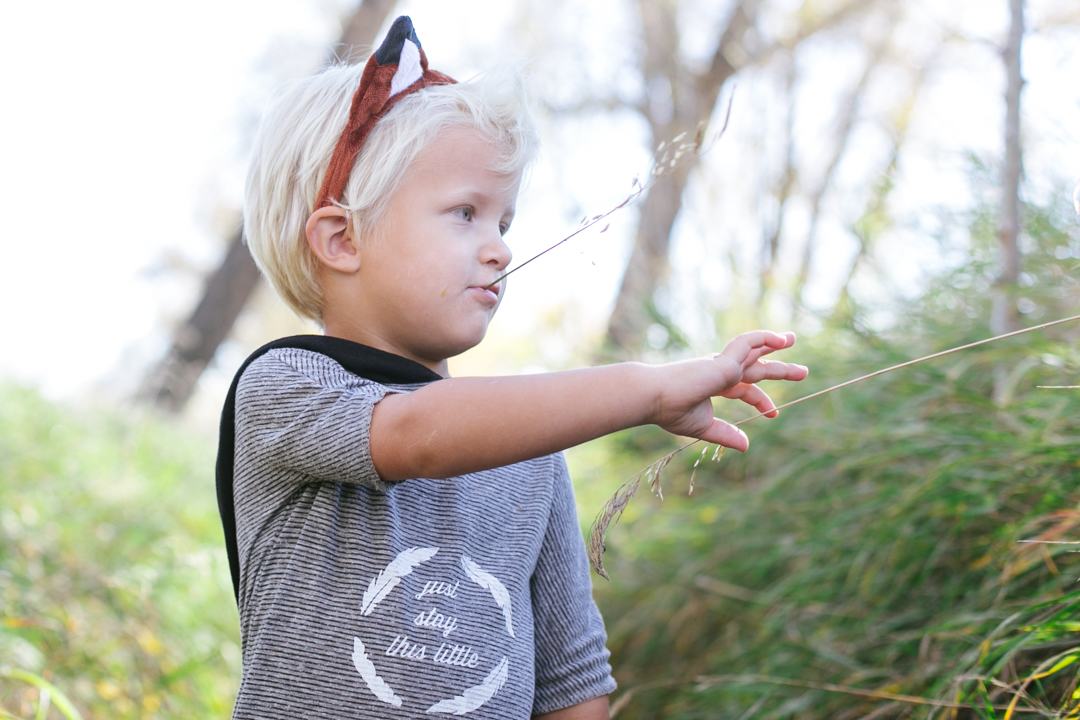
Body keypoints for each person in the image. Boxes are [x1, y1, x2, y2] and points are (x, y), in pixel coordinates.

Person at [216, 16, 809, 720]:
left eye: (504, 222)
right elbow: (416, 436)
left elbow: (571, 675)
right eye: (464, 213)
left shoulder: (531, 453)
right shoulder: (285, 384)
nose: (499, 248)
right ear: (342, 239)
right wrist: (647, 389)